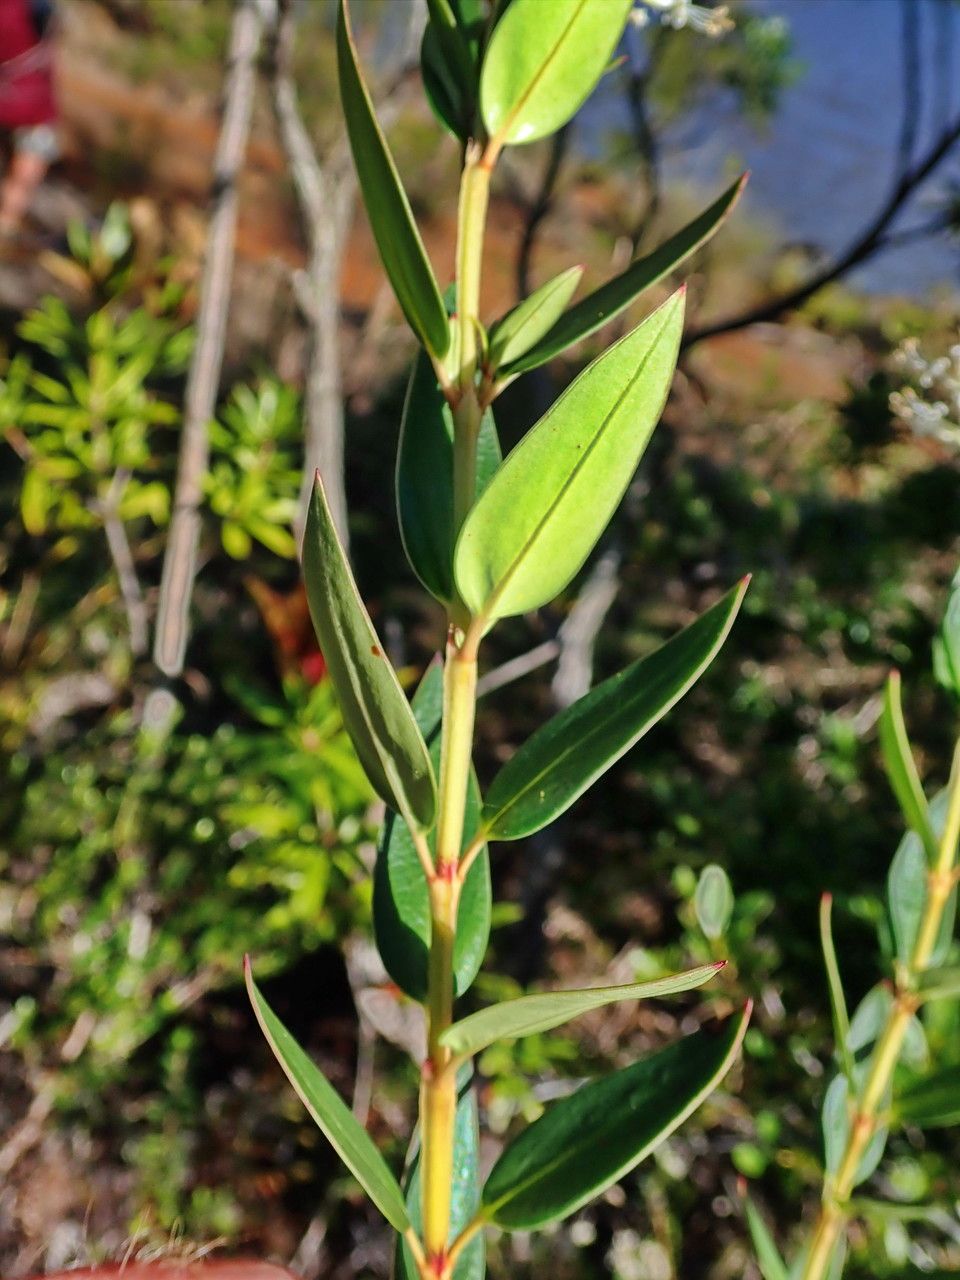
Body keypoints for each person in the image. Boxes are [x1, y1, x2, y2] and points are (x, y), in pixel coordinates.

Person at [0, 0, 58, 238]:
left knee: (25, 170)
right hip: (35, 106)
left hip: (26, 104)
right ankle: (6, 224)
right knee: (25, 174)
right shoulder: (36, 7)